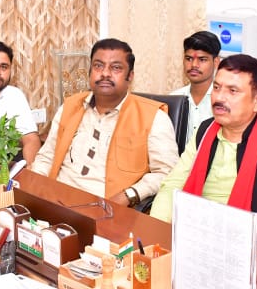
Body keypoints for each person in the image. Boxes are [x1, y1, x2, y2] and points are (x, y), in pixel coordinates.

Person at [150, 54, 257, 262]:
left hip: (245, 252)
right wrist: (157, 233)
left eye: (232, 91)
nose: (219, 98)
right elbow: (172, 186)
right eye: (217, 87)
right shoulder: (205, 131)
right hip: (194, 241)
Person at [32, 38, 179, 207]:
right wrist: (33, 187)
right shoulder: (70, 106)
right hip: (56, 202)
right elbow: (47, 156)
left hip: (106, 210)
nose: (105, 73)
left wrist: (129, 195)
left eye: (116, 68)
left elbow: (167, 172)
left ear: (130, 76)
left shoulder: (154, 117)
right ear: (89, 71)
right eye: (98, 66)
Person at [169, 30, 221, 151]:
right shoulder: (174, 99)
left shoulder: (223, 101)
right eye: (189, 58)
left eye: (202, 59)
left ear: (216, 62)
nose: (194, 65)